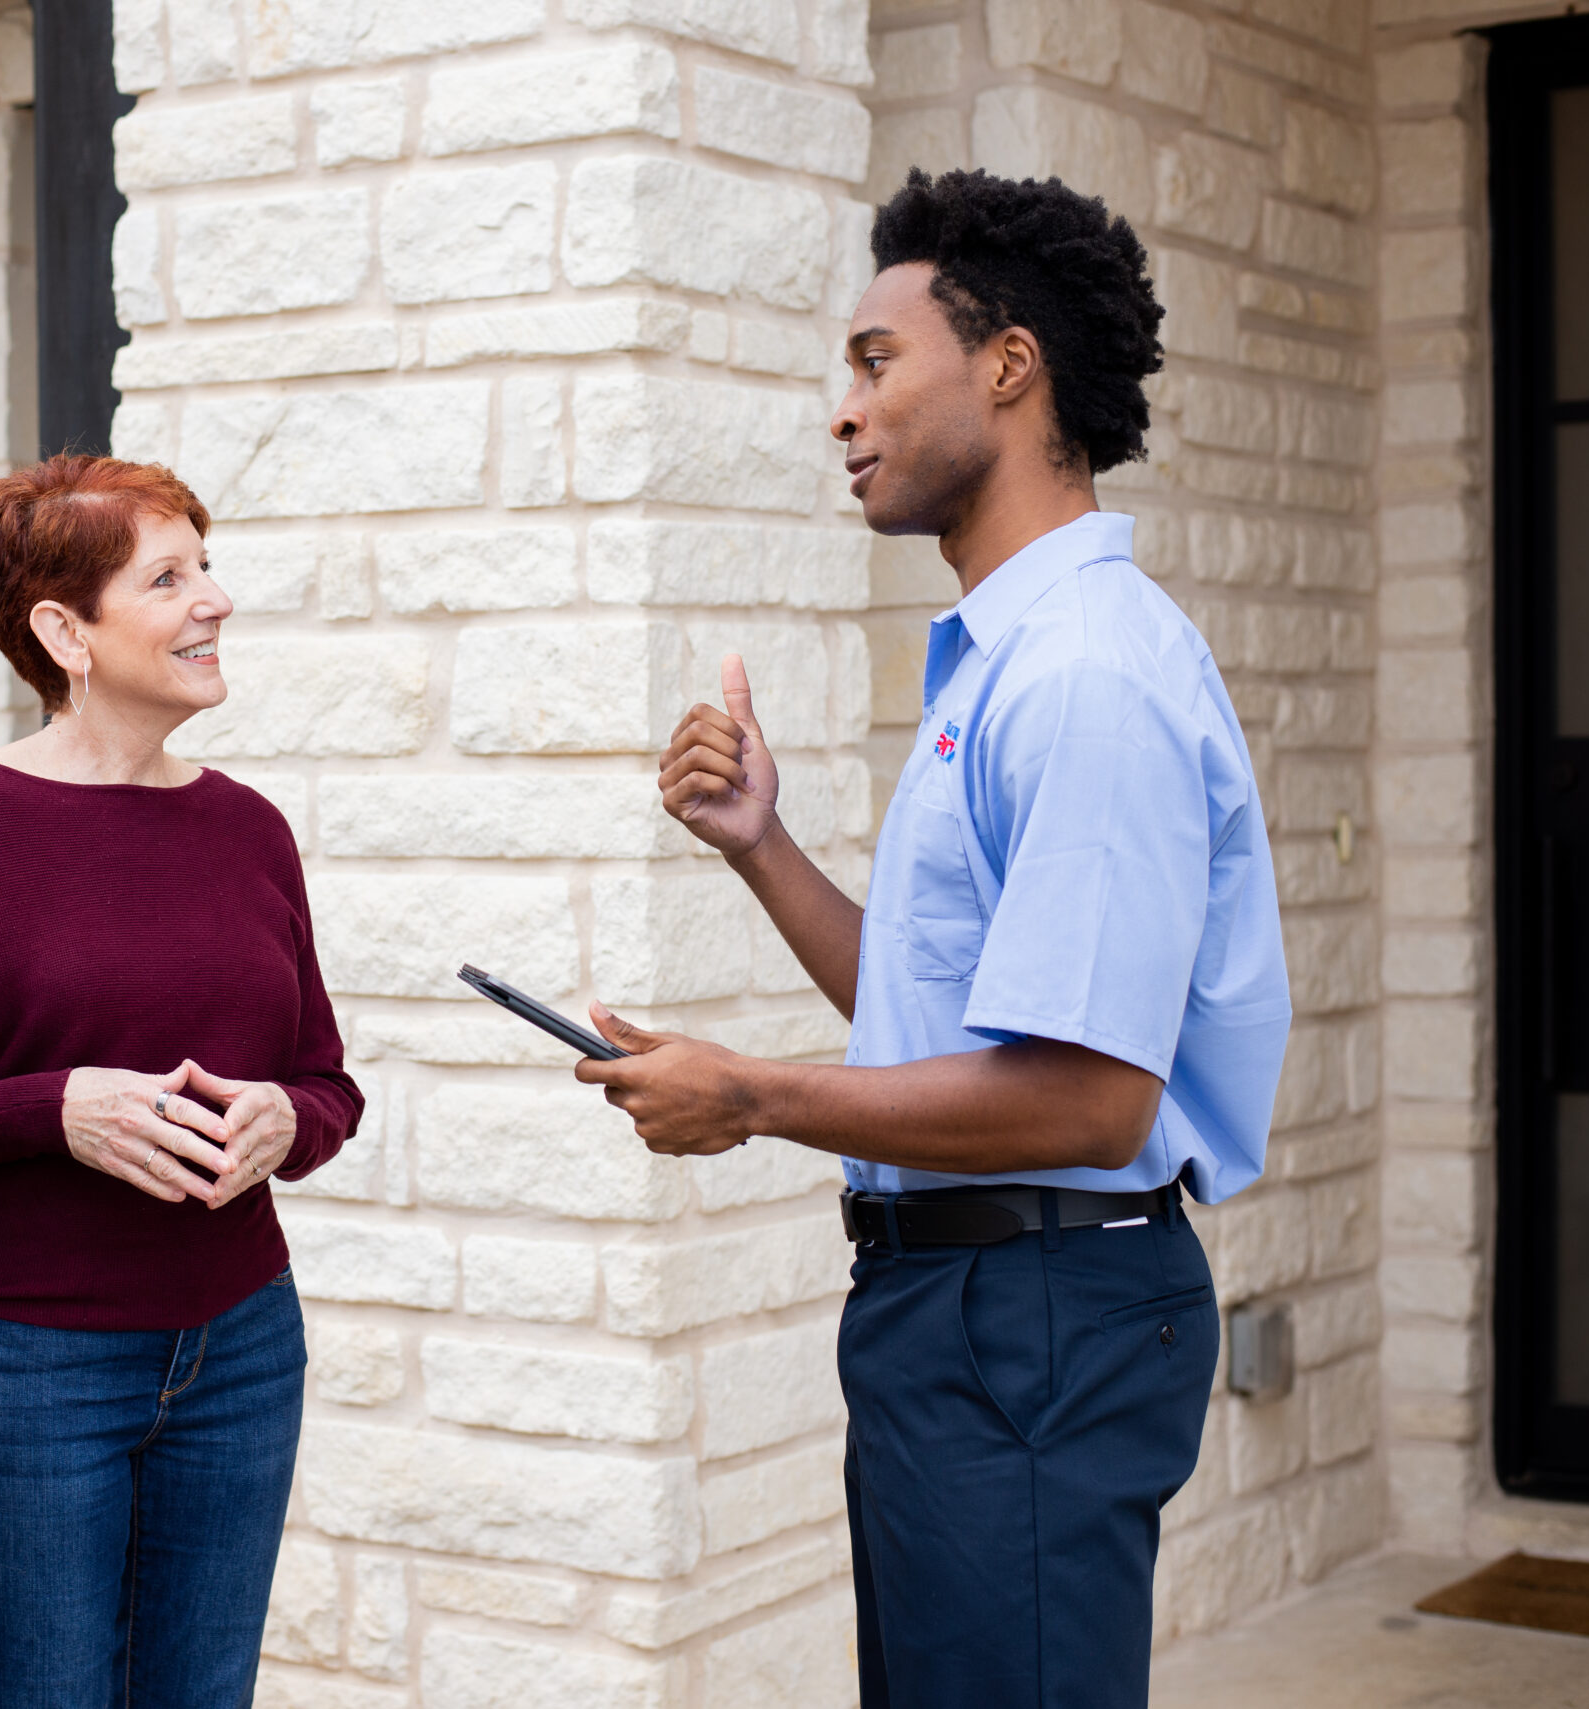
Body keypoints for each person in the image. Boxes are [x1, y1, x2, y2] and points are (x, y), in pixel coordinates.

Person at [575, 168, 1292, 1707]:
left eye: (876, 360)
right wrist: (763, 846)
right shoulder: (1005, 660)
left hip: (1030, 1312)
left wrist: (753, 1095)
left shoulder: (1084, 675)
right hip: (966, 1310)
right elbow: (948, 1019)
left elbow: (1087, 1097)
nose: (843, 410)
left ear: (1011, 367)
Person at [0, 454, 361, 1707]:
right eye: (168, 576)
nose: (214, 599)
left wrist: (286, 1119)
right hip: (26, 1364)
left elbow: (326, 1082)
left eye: (207, 564)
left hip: (240, 1344)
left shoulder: (247, 828)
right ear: (62, 630)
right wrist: (52, 1107)